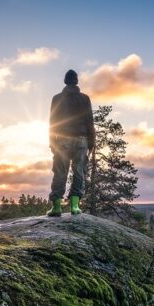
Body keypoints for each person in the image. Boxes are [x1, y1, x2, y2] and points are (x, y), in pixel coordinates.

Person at [46, 69, 96, 217]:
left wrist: (51, 142)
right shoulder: (85, 99)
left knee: (60, 171)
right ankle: (75, 206)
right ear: (77, 81)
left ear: (65, 81)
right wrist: (91, 143)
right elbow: (90, 122)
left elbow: (52, 123)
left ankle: (56, 207)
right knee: (79, 171)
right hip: (81, 140)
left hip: (62, 140)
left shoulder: (56, 99)